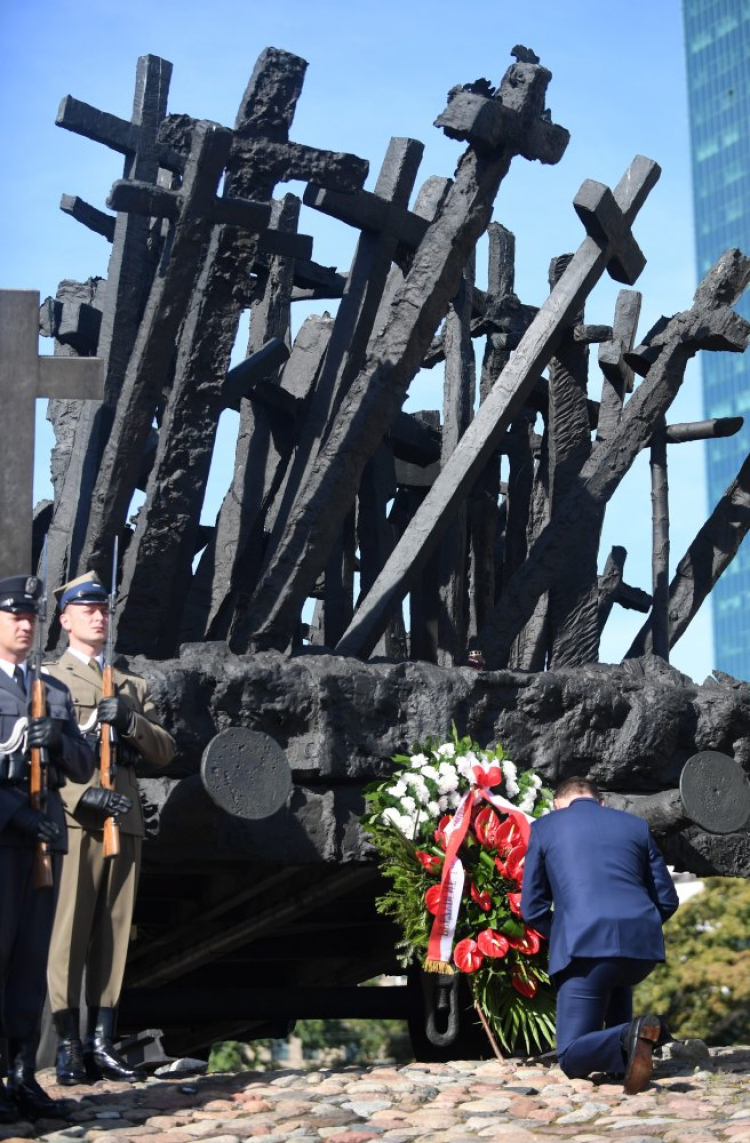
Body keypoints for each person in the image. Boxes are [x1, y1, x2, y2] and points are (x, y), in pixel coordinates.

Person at [44, 572, 175, 1086]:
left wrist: (131, 722)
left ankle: (103, 1042)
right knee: (68, 934)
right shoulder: (50, 681)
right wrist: (79, 797)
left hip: (124, 820)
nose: (99, 616)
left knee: (115, 934)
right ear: (66, 621)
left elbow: (164, 750)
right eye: (88, 610)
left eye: (103, 609)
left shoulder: (129, 685)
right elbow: (40, 758)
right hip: (77, 822)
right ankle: (68, 1046)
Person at [0, 574, 94, 1121]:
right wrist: (16, 816)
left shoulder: (52, 689)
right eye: (14, 617)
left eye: (30, 618)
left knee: (32, 962)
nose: (24, 625)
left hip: (45, 840)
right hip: (7, 836)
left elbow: (81, 765)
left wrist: (58, 738)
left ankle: (20, 1075)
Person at [520, 775, 679, 1094]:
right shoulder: (635, 826)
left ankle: (636, 1034)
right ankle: (627, 1055)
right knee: (616, 981)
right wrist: (642, 927)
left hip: (584, 947)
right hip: (639, 950)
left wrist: (564, 934)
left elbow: (533, 906)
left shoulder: (545, 827)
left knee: (571, 1054)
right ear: (601, 802)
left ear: (556, 806)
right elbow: (667, 898)